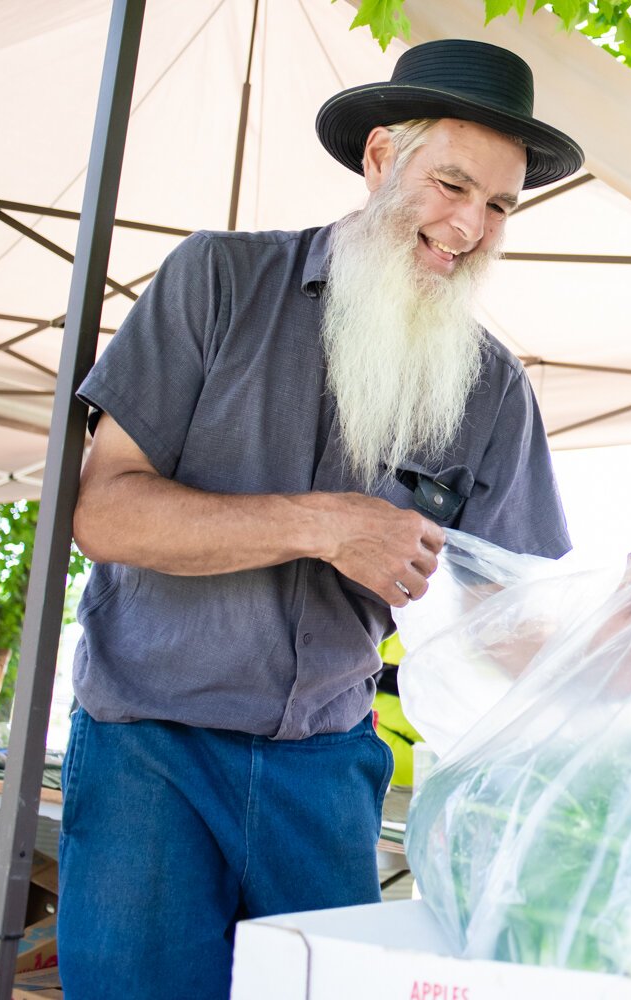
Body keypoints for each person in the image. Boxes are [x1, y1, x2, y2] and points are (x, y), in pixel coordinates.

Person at [59, 40, 584, 1000]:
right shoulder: (215, 282)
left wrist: (627, 641)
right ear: (382, 160)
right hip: (149, 755)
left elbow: (516, 615)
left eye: (500, 205)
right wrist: (323, 524)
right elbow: (105, 515)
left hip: (329, 769)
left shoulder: (496, 387)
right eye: (452, 185)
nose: (469, 227)